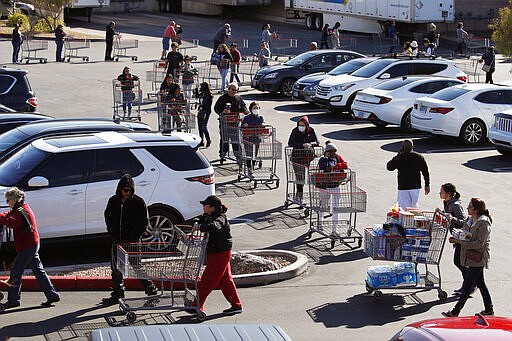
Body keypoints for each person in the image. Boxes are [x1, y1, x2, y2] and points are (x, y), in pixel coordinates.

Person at [0, 187, 60, 309]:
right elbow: (8, 215)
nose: (7, 203)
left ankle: (13, 300)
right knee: (38, 271)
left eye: (7, 200)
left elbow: (11, 222)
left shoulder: (21, 212)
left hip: (27, 246)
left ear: (14, 200)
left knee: (16, 272)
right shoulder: (21, 208)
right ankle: (52, 295)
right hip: (31, 244)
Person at [102, 174, 158, 305]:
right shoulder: (113, 201)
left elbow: (144, 222)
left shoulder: (138, 202)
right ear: (120, 189)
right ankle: (118, 293)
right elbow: (108, 217)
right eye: (125, 190)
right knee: (116, 268)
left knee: (137, 267)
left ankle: (151, 291)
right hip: (118, 240)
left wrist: (134, 236)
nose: (127, 193)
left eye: (130, 190)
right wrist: (113, 233)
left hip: (132, 242)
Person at [442, 197, 494, 317]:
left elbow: (479, 243)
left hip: (479, 257)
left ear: (476, 210)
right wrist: (456, 237)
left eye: (470, 206)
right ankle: (489, 309)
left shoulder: (484, 223)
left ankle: (456, 311)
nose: (467, 208)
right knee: (480, 283)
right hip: (471, 256)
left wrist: (460, 242)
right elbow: (464, 233)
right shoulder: (470, 219)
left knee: (467, 285)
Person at [195, 195, 243, 315]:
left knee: (207, 279)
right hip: (218, 251)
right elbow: (199, 219)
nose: (203, 207)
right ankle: (236, 305)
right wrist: (197, 222)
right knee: (225, 280)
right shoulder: (209, 216)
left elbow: (214, 227)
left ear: (212, 207)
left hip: (220, 252)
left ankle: (196, 305)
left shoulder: (220, 218)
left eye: (205, 205)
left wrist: (200, 227)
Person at [438, 183, 467, 295]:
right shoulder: (447, 202)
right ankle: (468, 283)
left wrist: (452, 218)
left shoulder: (455, 205)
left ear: (448, 194)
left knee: (458, 261)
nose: (440, 193)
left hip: (461, 237)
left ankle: (469, 284)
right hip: (455, 236)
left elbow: (464, 221)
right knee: (460, 262)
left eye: (442, 191)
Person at [316, 141, 348, 237]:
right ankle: (320, 223)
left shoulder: (337, 157)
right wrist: (326, 158)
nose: (333, 153)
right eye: (331, 151)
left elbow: (345, 165)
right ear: (327, 152)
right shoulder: (322, 159)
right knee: (324, 206)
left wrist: (336, 166)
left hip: (336, 185)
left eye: (334, 151)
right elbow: (323, 167)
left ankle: (334, 230)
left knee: (336, 209)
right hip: (325, 186)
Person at [386, 139, 430, 210]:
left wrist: (398, 155)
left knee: (403, 208)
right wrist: (427, 184)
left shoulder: (400, 157)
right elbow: (425, 171)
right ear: (413, 147)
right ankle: (415, 219)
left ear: (402, 147)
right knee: (413, 206)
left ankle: (406, 220)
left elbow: (389, 167)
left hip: (403, 187)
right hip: (415, 187)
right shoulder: (419, 157)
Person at [287, 116, 319, 204]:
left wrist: (310, 144)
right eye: (299, 125)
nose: (301, 126)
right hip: (296, 158)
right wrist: (302, 145)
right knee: (299, 177)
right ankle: (299, 197)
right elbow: (290, 142)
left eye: (303, 125)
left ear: (307, 125)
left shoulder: (311, 131)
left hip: (307, 158)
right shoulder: (295, 131)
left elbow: (317, 142)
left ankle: (298, 195)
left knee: (304, 178)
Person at [214, 82, 248, 160]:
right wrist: (222, 111)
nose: (234, 91)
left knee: (236, 140)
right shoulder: (222, 98)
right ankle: (222, 154)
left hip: (235, 123)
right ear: (228, 89)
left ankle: (238, 156)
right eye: (233, 89)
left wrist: (245, 111)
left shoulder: (238, 98)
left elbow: (243, 107)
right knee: (224, 139)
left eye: (236, 90)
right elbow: (216, 108)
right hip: (225, 122)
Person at [241, 101, 265, 175]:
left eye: (257, 108)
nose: (256, 109)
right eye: (254, 108)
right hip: (248, 139)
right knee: (249, 154)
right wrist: (244, 125)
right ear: (251, 109)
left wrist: (263, 125)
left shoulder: (260, 117)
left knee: (255, 154)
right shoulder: (247, 118)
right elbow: (242, 127)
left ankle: (252, 167)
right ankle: (249, 168)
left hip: (257, 138)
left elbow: (263, 125)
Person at [195, 82, 213, 147]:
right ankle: (201, 140)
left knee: (203, 127)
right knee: (199, 127)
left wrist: (202, 106)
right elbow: (197, 96)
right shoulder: (202, 94)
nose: (200, 88)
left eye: (201, 87)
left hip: (206, 112)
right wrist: (196, 88)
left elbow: (207, 105)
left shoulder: (209, 95)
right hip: (200, 111)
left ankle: (208, 140)